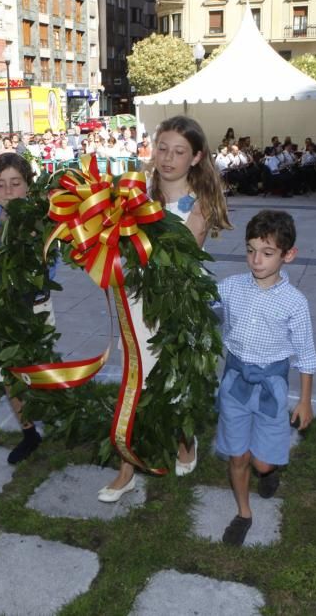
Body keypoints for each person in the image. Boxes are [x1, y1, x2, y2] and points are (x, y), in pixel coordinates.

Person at [100, 114, 232, 502]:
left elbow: (180, 253)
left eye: (179, 152)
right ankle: (127, 467)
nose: (168, 158)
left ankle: (184, 440)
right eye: (162, 148)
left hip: (175, 305)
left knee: (175, 383)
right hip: (137, 305)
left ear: (196, 157)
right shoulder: (134, 189)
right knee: (134, 385)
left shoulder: (201, 202)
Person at [216, 210, 316, 546]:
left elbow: (306, 354)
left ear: (289, 255)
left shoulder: (295, 303)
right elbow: (206, 310)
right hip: (234, 383)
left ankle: (268, 473)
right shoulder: (229, 287)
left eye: (267, 253)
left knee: (261, 462)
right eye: (250, 250)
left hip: (271, 387)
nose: (256, 260)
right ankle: (244, 513)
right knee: (238, 456)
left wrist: (304, 400)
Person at [0, 152, 55, 464]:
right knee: (9, 375)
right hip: (3, 311)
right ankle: (29, 433)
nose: (8, 191)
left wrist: (29, 238)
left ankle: (56, 417)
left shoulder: (42, 224)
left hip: (37, 308)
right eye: (0, 185)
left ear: (28, 186)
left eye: (15, 183)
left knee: (42, 369)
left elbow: (50, 270)